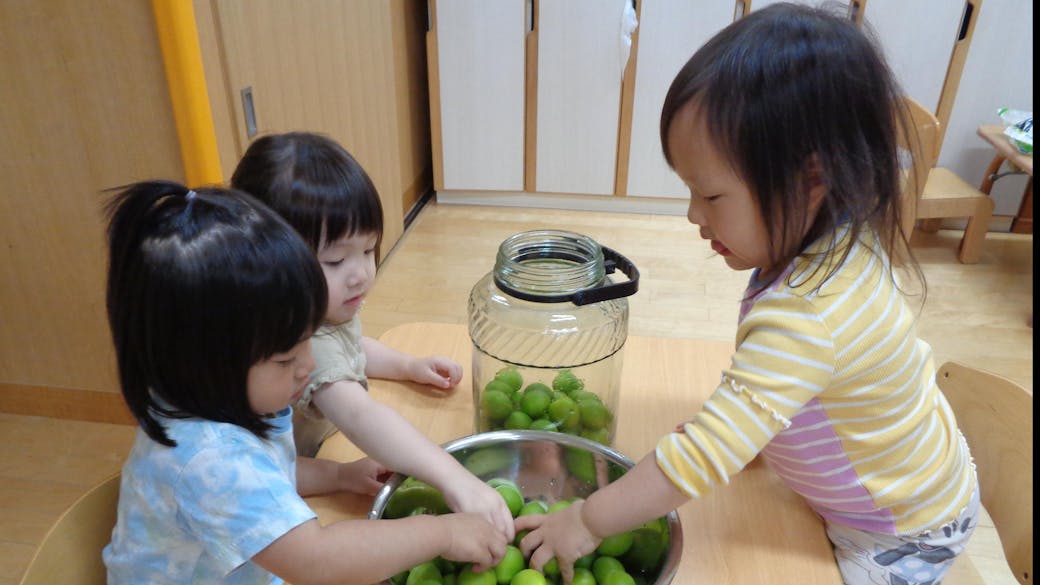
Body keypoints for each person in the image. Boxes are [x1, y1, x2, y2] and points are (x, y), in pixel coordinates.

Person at [515, 5, 979, 585]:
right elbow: (783, 383)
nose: (692, 215)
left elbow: (704, 455)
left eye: (710, 196)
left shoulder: (812, 313)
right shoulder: (831, 237)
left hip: (900, 530)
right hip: (902, 472)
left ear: (813, 180)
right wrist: (758, 428)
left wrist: (586, 521)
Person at [101, 181, 509, 585]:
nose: (309, 366)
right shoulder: (208, 458)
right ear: (202, 365)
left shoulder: (212, 399)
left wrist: (337, 476)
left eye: (308, 343)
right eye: (285, 359)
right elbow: (318, 562)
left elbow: (266, 473)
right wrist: (443, 533)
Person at [229, 132, 515, 531]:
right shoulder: (297, 339)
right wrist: (454, 478)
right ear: (268, 263)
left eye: (368, 250)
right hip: (267, 481)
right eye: (335, 260)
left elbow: (351, 348)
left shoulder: (325, 311)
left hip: (297, 457)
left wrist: (406, 364)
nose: (361, 273)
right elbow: (360, 415)